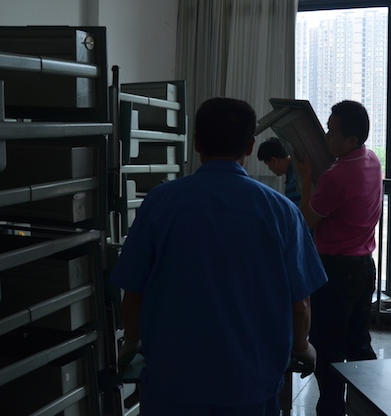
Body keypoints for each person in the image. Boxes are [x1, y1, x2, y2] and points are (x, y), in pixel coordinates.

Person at [111, 97, 328, 416]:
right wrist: (302, 348)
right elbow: (301, 304)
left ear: (196, 142)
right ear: (251, 145)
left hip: (172, 383)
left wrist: (132, 344)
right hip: (249, 385)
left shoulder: (160, 203)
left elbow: (133, 293)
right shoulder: (281, 212)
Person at [295, 100, 383, 416]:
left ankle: (331, 409)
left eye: (332, 132)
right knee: (358, 343)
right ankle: (366, 408)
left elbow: (307, 219)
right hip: (363, 267)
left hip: (335, 270)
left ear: (351, 140)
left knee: (328, 347)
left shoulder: (337, 175)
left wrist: (305, 178)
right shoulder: (371, 160)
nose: (326, 137)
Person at [257, 136, 301, 206]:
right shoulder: (292, 174)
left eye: (267, 164)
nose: (269, 168)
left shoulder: (296, 179)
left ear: (274, 160)